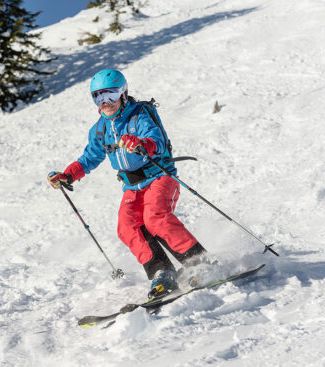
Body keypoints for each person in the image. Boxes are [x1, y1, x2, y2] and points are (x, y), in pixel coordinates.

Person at [48, 69, 207, 298]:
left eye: (110, 95)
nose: (105, 102)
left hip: (159, 176)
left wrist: (141, 143)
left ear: (123, 93)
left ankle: (198, 262)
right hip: (133, 186)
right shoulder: (100, 129)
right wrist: (67, 175)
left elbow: (156, 140)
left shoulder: (140, 114)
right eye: (98, 97)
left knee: (156, 217)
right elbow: (90, 158)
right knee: (127, 226)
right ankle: (162, 272)